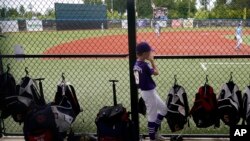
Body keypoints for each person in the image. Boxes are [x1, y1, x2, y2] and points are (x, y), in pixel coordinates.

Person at [134, 42, 167, 141]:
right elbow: (156, 72)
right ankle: (152, 138)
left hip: (147, 91)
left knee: (164, 109)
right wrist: (152, 61)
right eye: (149, 52)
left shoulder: (136, 63)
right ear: (144, 54)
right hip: (148, 92)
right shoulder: (144, 65)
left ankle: (155, 132)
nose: (150, 53)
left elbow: (137, 81)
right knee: (152, 115)